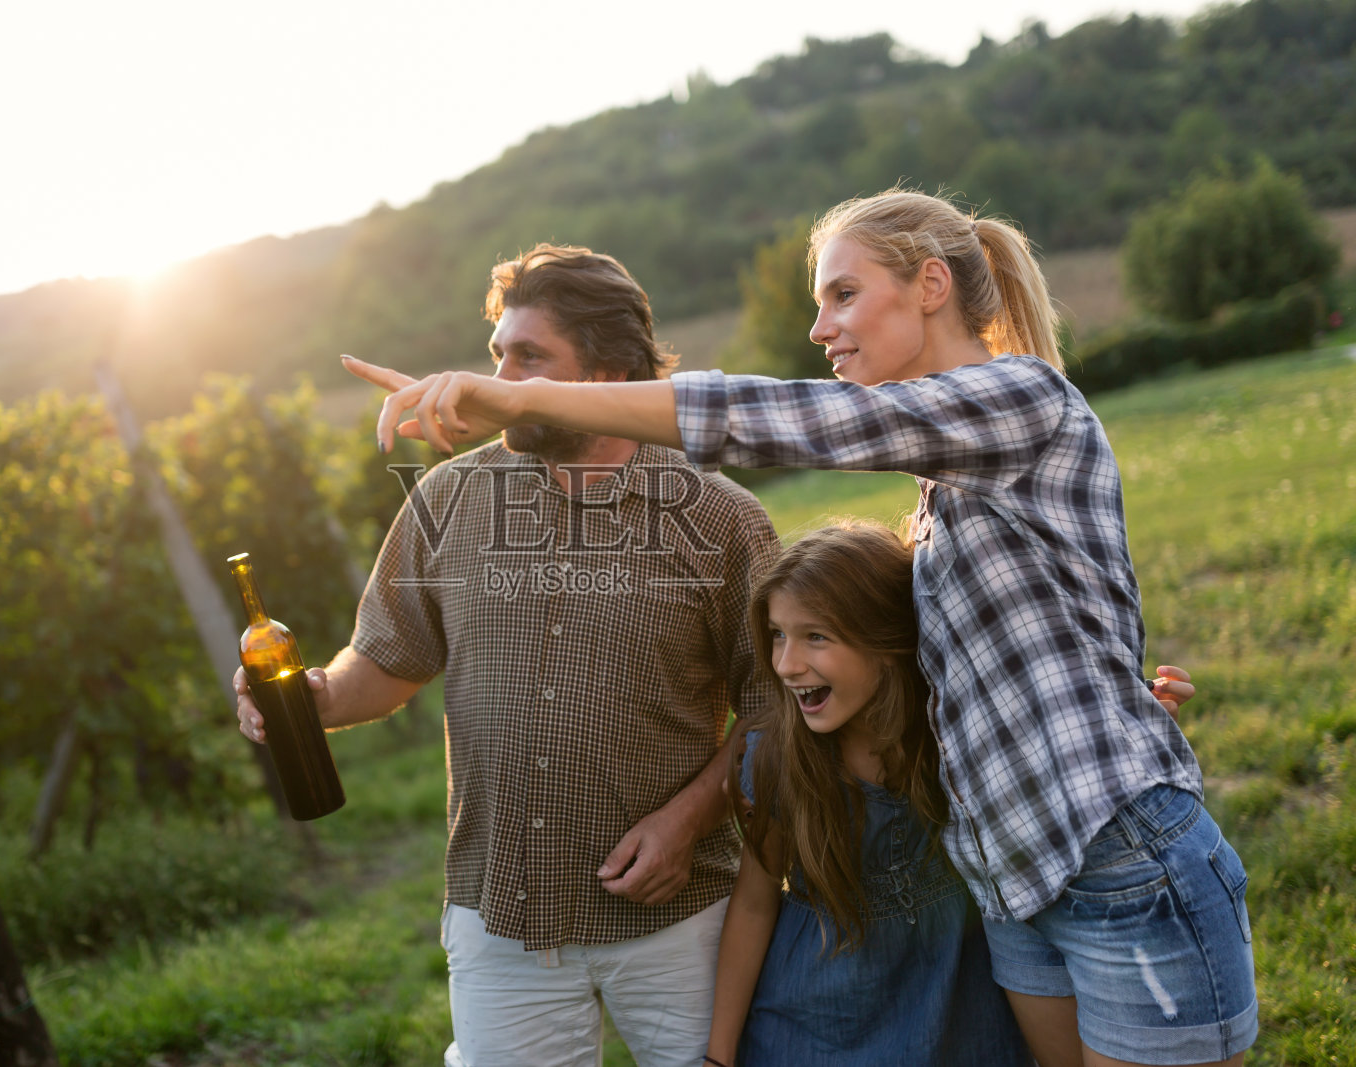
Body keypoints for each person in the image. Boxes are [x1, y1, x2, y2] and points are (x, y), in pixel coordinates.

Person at [345, 188, 1255, 1067]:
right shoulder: (943, 487)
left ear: (931, 285)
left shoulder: (1022, 398)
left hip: (1117, 856)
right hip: (1021, 881)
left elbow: (787, 421)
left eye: (843, 294)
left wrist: (521, 400)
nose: (820, 327)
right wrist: (1109, 687)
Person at [239, 244, 779, 1067]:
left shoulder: (717, 518)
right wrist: (311, 698)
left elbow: (777, 709)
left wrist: (688, 819)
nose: (499, 377)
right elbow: (383, 664)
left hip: (680, 910)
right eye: (499, 354)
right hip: (502, 917)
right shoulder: (447, 497)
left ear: (605, 373)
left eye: (530, 358)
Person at [708, 520, 1030, 1066]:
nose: (786, 664)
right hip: (812, 1031)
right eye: (778, 634)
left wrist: (1139, 710)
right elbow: (755, 906)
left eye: (816, 636)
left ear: (890, 639)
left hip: (959, 1024)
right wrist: (718, 1056)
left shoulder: (959, 738)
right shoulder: (779, 758)